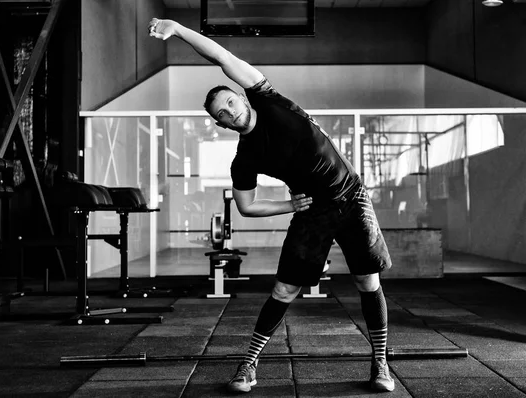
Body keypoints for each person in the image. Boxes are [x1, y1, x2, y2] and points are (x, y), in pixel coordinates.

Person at [148, 18, 395, 394]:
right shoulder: (244, 159)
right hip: (313, 212)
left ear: (242, 96)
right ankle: (248, 364)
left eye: (230, 101)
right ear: (221, 124)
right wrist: (288, 205)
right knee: (283, 291)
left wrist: (177, 29)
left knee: (367, 280)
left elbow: (220, 55)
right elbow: (246, 206)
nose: (230, 111)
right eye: (221, 114)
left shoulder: (268, 98)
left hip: (351, 195)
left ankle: (381, 362)